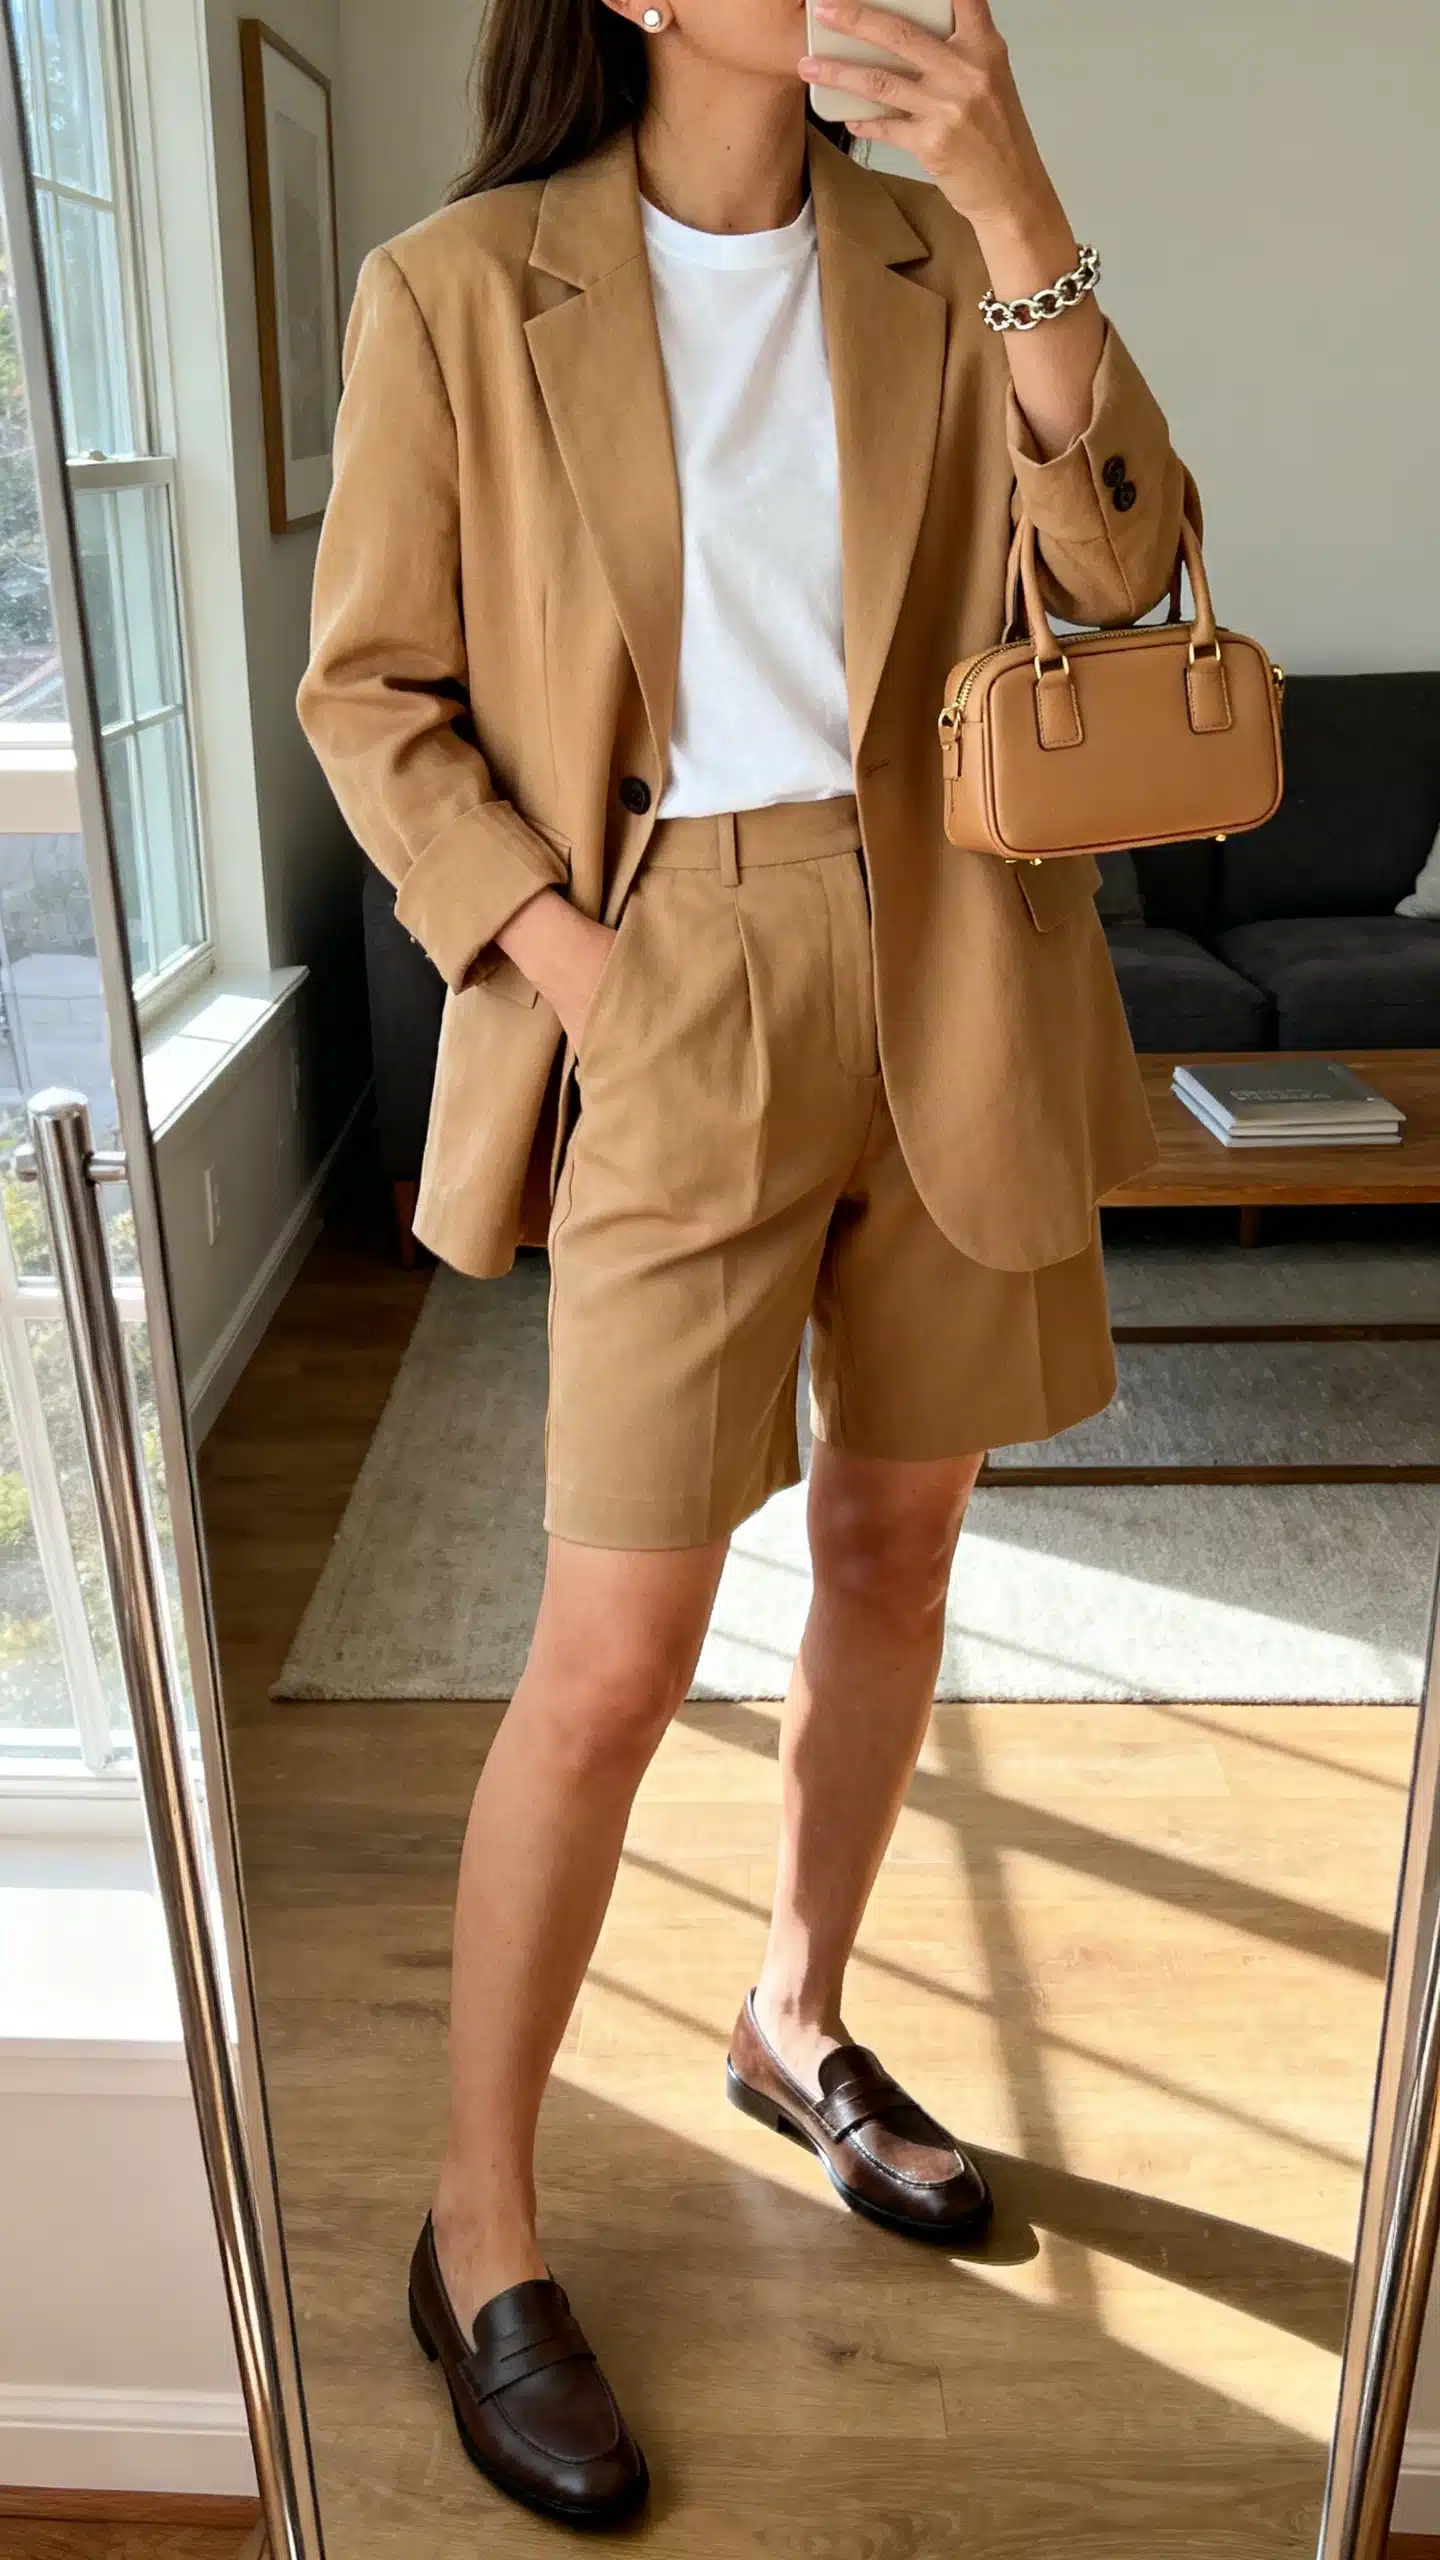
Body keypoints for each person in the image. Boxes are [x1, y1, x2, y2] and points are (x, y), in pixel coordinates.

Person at [296, 0, 1191, 2528]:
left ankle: (795, 2010)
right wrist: (583, 969)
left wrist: (1018, 200)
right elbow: (368, 696)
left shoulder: (934, 249)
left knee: (901, 1543)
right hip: (665, 958)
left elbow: (1121, 560)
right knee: (614, 1645)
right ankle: (477, 2223)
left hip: (961, 951)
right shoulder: (460, 286)